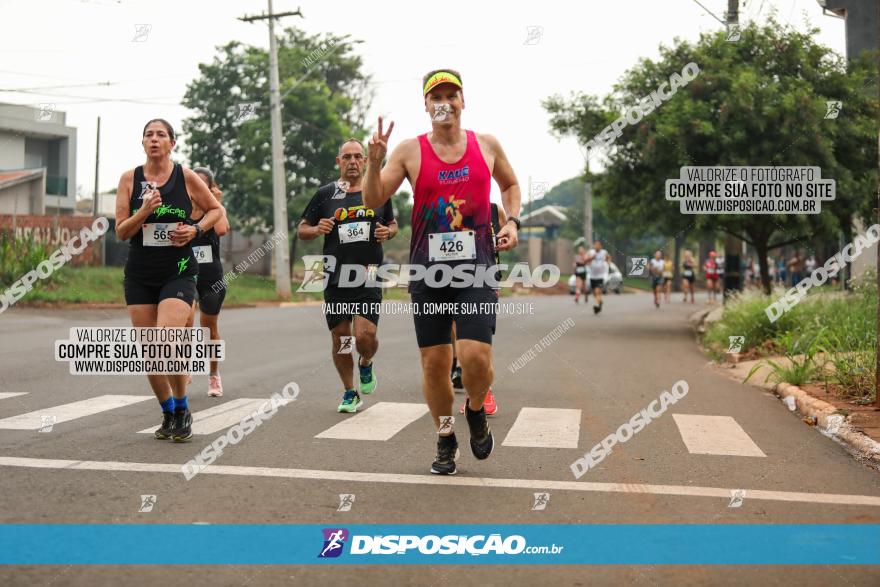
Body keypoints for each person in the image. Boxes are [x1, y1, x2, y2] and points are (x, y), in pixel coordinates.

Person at [363, 68, 521, 475]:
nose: (444, 103)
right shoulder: (409, 151)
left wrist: (512, 221)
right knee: (434, 364)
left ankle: (474, 408)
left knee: (475, 357)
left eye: (451, 95)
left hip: (477, 270)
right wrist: (374, 163)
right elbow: (373, 198)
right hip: (429, 275)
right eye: (436, 97)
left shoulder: (485, 145)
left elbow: (510, 185)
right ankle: (446, 436)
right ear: (426, 105)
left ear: (463, 101)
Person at [115, 119, 225, 442]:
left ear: (172, 144)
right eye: (148, 134)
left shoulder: (186, 177)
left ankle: (183, 405)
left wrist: (195, 229)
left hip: (178, 270)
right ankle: (168, 412)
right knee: (151, 352)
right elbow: (121, 230)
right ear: (142, 142)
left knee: (168, 341)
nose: (154, 139)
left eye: (161, 135)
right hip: (140, 275)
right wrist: (144, 211)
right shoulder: (128, 180)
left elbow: (216, 211)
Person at [298, 138, 397, 413]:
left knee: (365, 336)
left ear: (365, 161)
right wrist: (317, 228)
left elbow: (393, 224)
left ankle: (366, 362)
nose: (352, 162)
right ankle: (349, 391)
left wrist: (387, 232)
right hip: (334, 274)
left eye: (358, 157)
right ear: (338, 161)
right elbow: (302, 229)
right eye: (347, 157)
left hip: (369, 273)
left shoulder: (377, 192)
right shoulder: (325, 195)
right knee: (341, 339)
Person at [454, 201, 505, 415]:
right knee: (459, 333)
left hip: (482, 277)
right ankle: (462, 371)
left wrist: (503, 240)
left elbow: (505, 237)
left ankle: (484, 390)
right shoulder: (446, 208)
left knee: (479, 336)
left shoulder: (493, 210)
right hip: (447, 277)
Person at [185, 167, 229, 397]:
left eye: (203, 185)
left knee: (209, 327)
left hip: (211, 278)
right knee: (185, 321)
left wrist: (216, 204)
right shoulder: (180, 210)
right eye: (194, 184)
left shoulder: (214, 211)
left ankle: (213, 375)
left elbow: (221, 229)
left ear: (210, 189)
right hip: (185, 275)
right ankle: (184, 368)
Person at [585, 240, 610, 314]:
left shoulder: (604, 252)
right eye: (595, 245)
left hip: (600, 276)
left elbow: (608, 257)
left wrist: (608, 262)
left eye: (598, 245)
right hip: (592, 275)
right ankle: (600, 302)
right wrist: (592, 257)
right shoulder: (591, 252)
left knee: (597, 291)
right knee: (595, 293)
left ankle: (597, 305)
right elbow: (585, 261)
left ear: (601, 246)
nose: (596, 246)